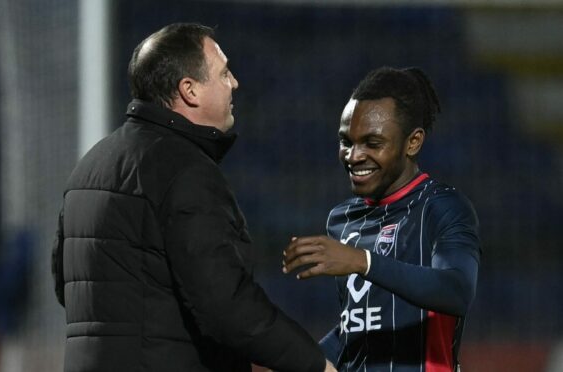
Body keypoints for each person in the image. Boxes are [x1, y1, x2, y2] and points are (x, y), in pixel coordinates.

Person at [51, 23, 335, 372]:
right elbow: (227, 306)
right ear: (190, 90)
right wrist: (315, 365)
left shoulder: (90, 166)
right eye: (224, 73)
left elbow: (70, 287)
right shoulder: (184, 171)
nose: (235, 83)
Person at [283, 66, 481, 372]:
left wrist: (364, 261)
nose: (353, 156)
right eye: (346, 141)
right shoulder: (342, 219)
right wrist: (296, 358)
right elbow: (358, 326)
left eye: (372, 144)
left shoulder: (442, 207)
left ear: (412, 142)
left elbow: (456, 291)